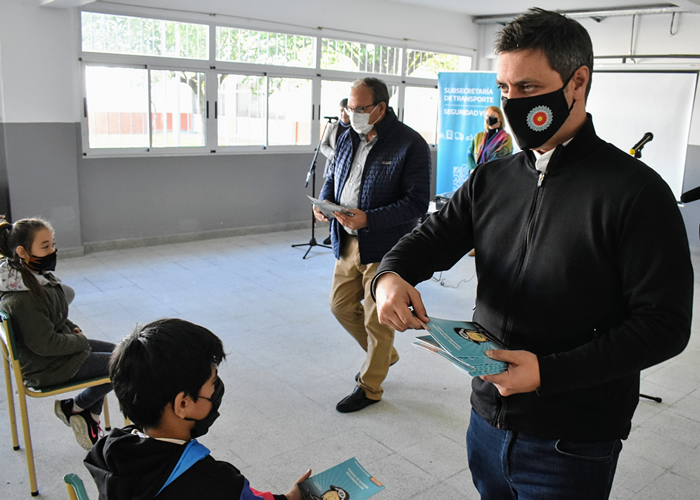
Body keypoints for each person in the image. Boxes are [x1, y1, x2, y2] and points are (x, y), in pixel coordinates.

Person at [372, 8, 692, 500]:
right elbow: (432, 239)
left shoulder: (636, 193)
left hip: (572, 437)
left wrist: (549, 373)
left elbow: (665, 325)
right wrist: (390, 276)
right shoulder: (493, 178)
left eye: (527, 88)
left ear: (577, 82)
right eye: (504, 88)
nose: (511, 102)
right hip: (486, 419)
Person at [84, 318, 311, 499]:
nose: (217, 390)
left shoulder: (110, 452)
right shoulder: (215, 483)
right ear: (183, 404)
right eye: (213, 383)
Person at [314, 77, 431, 413]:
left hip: (385, 246)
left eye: (361, 109)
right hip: (348, 240)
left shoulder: (409, 143)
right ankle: (385, 355)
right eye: (349, 109)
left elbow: (416, 203)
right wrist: (323, 202)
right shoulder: (347, 136)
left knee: (376, 320)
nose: (352, 115)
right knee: (339, 306)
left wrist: (370, 219)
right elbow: (331, 178)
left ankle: (370, 386)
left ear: (381, 107)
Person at [0, 217, 114, 450]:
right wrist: (78, 340)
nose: (53, 251)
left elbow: (55, 314)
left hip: (56, 353)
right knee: (127, 363)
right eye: (45, 246)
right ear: (22, 251)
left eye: (52, 244)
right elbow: (45, 345)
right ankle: (78, 408)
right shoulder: (23, 298)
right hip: (47, 366)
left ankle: (81, 412)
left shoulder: (31, 276)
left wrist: (71, 327)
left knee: (123, 353)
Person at [320, 98, 351, 245]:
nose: (343, 113)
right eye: (340, 110)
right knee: (330, 199)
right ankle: (331, 232)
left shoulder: (357, 128)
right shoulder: (332, 127)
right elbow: (323, 145)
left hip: (349, 170)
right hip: (333, 166)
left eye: (345, 110)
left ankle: (342, 228)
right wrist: (331, 153)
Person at [466, 105, 513, 173]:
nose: (489, 118)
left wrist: (480, 170)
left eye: (492, 115)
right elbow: (469, 154)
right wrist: (473, 169)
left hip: (494, 175)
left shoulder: (505, 137)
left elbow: (500, 158)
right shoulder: (478, 136)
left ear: (499, 118)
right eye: (487, 116)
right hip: (475, 176)